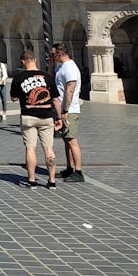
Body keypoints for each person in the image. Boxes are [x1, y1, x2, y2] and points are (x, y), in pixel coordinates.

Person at [9, 49, 62, 189]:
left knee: (30, 148)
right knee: (48, 149)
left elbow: (13, 98)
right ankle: (51, 181)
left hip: (28, 116)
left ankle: (32, 180)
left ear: (23, 62)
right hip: (46, 116)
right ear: (35, 60)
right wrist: (59, 117)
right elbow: (56, 100)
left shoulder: (19, 78)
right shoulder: (47, 77)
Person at [52, 42, 85, 183]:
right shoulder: (61, 66)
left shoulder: (70, 68)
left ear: (60, 54)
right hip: (63, 109)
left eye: (53, 55)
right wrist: (51, 63)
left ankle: (78, 172)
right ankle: (69, 168)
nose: (52, 57)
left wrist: (65, 110)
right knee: (66, 140)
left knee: (72, 140)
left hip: (70, 110)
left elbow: (69, 90)